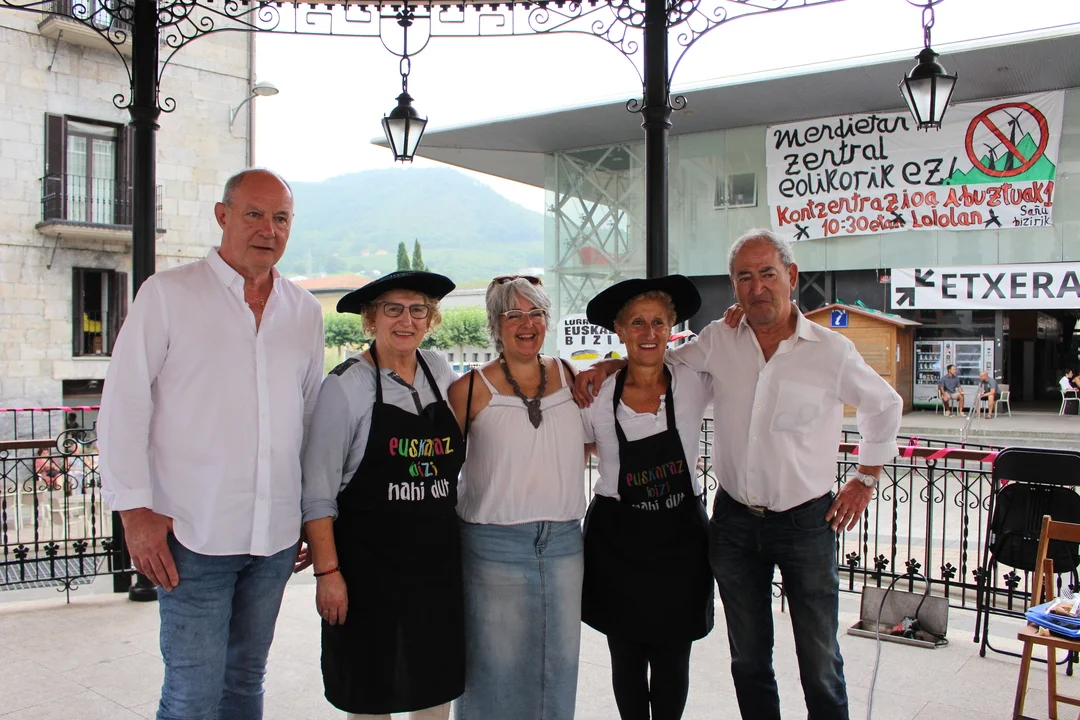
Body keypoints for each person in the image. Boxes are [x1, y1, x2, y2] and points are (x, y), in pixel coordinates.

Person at [576, 229, 902, 720]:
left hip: (806, 523)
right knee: (748, 659)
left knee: (819, 659)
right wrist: (610, 364)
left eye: (767, 273)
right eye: (745, 278)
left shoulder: (830, 350)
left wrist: (866, 477)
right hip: (733, 523)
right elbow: (656, 358)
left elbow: (885, 405)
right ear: (734, 287)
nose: (757, 287)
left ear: (791, 276)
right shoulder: (719, 340)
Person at [98, 168, 324, 720]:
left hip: (274, 539)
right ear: (223, 216)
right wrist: (135, 513)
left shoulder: (304, 310)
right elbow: (124, 405)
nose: (268, 229)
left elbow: (311, 419)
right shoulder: (168, 295)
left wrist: (311, 516)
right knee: (192, 696)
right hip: (190, 535)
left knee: (245, 682)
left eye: (281, 218)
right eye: (254, 214)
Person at [300, 270, 464, 720]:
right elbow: (318, 493)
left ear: (430, 319)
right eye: (393, 309)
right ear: (371, 319)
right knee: (370, 691)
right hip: (368, 574)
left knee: (434, 688)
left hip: (437, 570)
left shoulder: (439, 370)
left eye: (417, 310)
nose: (406, 320)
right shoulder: (345, 386)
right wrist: (327, 573)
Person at [447, 275, 587, 720]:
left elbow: (592, 442)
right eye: (514, 315)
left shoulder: (571, 376)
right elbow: (442, 472)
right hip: (492, 546)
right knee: (494, 668)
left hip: (564, 543)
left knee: (558, 664)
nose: (527, 324)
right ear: (496, 324)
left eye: (536, 313)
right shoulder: (468, 390)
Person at [579, 275, 714, 720]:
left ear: (671, 327)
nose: (649, 332)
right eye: (637, 322)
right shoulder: (597, 395)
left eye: (658, 322)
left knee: (674, 658)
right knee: (626, 657)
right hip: (618, 539)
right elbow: (577, 446)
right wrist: (608, 367)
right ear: (619, 330)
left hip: (681, 539)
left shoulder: (693, 380)